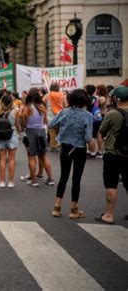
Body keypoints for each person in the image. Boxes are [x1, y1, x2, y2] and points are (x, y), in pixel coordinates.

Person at [49, 89, 92, 219]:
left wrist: (62, 131)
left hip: (65, 147)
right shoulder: (87, 115)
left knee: (63, 177)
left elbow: (51, 124)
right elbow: (88, 137)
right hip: (79, 148)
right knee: (76, 179)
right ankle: (74, 210)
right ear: (84, 101)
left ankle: (57, 207)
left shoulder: (64, 112)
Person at [95, 86, 128, 224]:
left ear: (116, 99)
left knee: (111, 184)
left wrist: (101, 146)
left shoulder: (112, 114)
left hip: (113, 153)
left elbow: (101, 132)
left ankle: (109, 215)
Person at [19, 88, 55, 187]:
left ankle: (34, 180)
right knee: (43, 156)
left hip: (30, 132)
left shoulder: (26, 108)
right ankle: (50, 178)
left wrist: (23, 127)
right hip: (41, 132)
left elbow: (22, 122)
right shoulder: (42, 107)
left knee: (31, 157)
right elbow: (45, 121)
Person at [0, 94, 20, 188]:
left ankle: (2, 181)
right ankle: (10, 181)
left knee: (2, 159)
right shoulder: (16, 111)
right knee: (11, 159)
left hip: (0, 134)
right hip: (12, 134)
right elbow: (17, 124)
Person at [43, 83, 67, 151]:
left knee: (52, 132)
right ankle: (60, 144)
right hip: (60, 114)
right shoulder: (62, 95)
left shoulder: (47, 95)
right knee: (60, 130)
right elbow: (66, 105)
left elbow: (43, 103)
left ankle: (53, 146)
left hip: (50, 115)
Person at [86, 84, 103, 158]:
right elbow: (98, 106)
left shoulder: (87, 98)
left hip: (91, 118)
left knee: (91, 136)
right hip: (98, 116)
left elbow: (86, 108)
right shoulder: (97, 98)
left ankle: (91, 152)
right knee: (99, 135)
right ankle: (100, 151)